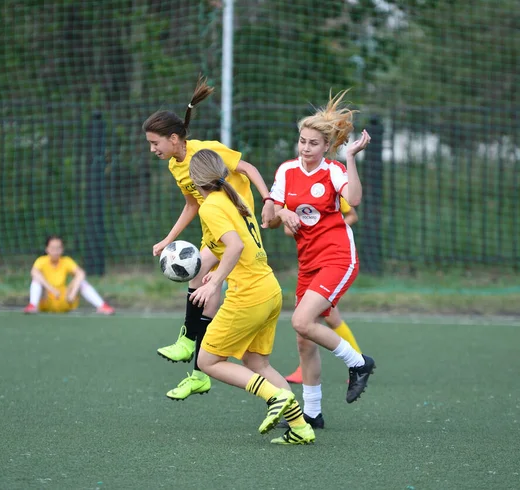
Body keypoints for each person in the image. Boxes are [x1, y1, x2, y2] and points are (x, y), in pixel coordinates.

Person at [142, 76, 275, 400]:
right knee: (201, 282)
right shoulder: (175, 165)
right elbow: (191, 203)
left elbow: (247, 168)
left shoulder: (205, 153)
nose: (152, 149)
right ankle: (199, 367)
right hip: (212, 225)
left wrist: (269, 198)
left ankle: (190, 344)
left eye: (155, 142)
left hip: (231, 222)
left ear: (174, 138)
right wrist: (167, 239)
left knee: (204, 279)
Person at [188, 148, 315, 445]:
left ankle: (275, 397)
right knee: (257, 363)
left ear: (195, 181)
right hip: (268, 289)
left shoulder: (210, 207)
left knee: (207, 361)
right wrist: (218, 272)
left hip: (249, 295)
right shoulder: (235, 197)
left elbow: (234, 247)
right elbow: (236, 246)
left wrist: (213, 283)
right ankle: (300, 426)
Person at [266, 90, 375, 430]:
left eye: (313, 143)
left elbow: (354, 199)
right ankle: (312, 414)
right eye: (302, 141)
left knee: (301, 322)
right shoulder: (286, 171)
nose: (306, 148)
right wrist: (282, 212)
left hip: (338, 257)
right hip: (308, 261)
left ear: (326, 147)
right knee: (303, 339)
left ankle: (359, 363)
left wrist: (352, 158)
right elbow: (268, 217)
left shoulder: (333, 170)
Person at [283, 196, 362, 385]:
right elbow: (287, 228)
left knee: (327, 318)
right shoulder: (289, 192)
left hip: (331, 258)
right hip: (310, 259)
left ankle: (357, 362)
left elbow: (352, 215)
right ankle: (355, 363)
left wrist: (327, 228)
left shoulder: (327, 189)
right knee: (326, 318)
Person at [23, 235, 115, 315]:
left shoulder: (66, 261)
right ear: (47, 249)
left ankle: (102, 306)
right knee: (36, 280)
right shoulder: (41, 261)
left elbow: (81, 273)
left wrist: (72, 293)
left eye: (58, 248)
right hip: (47, 300)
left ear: (62, 249)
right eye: (52, 248)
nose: (55, 251)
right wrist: (51, 289)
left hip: (64, 299)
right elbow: (34, 273)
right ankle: (33, 305)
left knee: (82, 282)